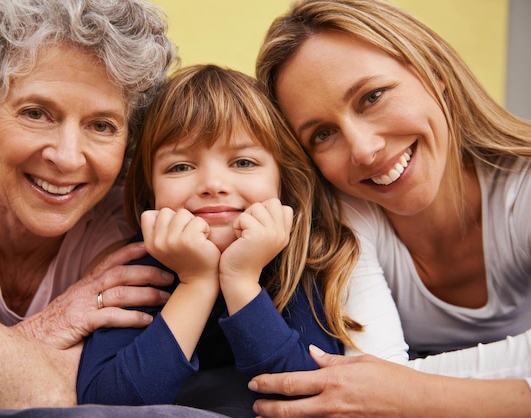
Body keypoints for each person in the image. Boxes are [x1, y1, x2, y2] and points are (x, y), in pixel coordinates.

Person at [0, 0, 232, 416]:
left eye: (101, 126)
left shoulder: (125, 233)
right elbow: (15, 382)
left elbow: (58, 391)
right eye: (36, 113)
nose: (67, 158)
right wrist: (47, 327)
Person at [248, 0, 531, 416]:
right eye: (323, 134)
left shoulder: (521, 186)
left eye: (372, 97)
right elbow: (371, 385)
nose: (364, 150)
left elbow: (378, 389)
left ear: (435, 75)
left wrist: (412, 393)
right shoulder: (346, 211)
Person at [75, 64, 411, 413]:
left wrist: (240, 280)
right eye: (180, 167)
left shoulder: (301, 258)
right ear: (150, 194)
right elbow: (106, 403)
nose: (213, 184)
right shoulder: (138, 272)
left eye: (244, 162)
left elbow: (309, 397)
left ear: (283, 182)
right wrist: (197, 284)